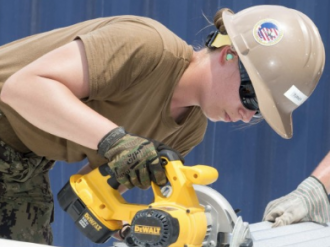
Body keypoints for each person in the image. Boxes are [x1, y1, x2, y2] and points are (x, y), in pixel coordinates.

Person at [0, 4, 326, 245]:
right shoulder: (146, 46)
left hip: (22, 167)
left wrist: (146, 230)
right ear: (229, 54)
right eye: (252, 100)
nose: (246, 115)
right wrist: (114, 141)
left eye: (258, 114)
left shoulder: (188, 129)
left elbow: (91, 196)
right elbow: (21, 87)